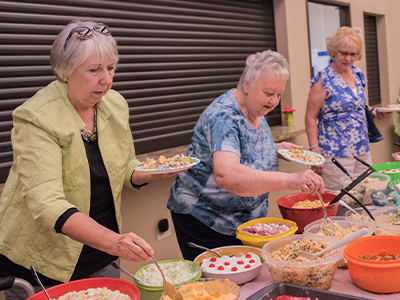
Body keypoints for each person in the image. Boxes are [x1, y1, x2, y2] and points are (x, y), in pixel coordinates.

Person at [0, 19, 182, 300]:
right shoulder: (36, 116)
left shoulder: (115, 104)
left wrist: (150, 173)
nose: (106, 79)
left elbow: (123, 166)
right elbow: (47, 202)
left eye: (111, 68)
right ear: (66, 71)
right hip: (41, 259)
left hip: (100, 253)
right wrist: (115, 241)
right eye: (94, 70)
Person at [167, 50, 325, 261]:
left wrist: (275, 148)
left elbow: (239, 145)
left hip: (242, 222)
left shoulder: (255, 105)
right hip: (208, 220)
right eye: (269, 93)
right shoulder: (223, 116)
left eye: (279, 94)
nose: (274, 101)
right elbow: (227, 175)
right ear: (247, 85)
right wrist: (290, 179)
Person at [305, 26, 389, 189]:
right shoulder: (323, 79)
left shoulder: (358, 74)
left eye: (353, 54)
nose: (348, 58)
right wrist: (314, 150)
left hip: (362, 148)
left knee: (366, 195)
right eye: (344, 53)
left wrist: (373, 112)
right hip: (335, 152)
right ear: (334, 51)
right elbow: (310, 117)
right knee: (342, 199)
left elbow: (357, 105)